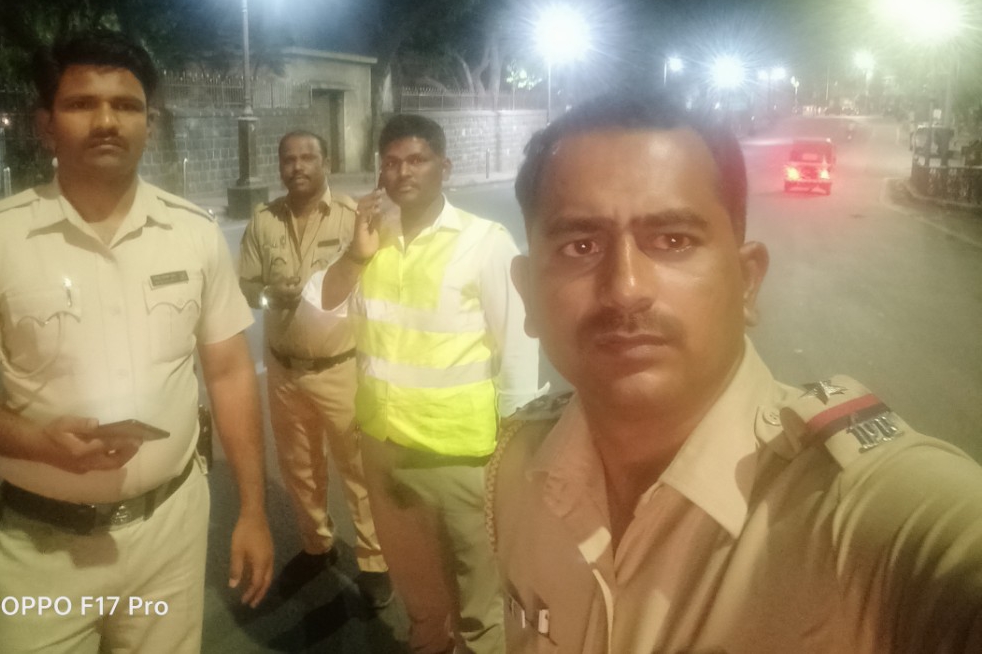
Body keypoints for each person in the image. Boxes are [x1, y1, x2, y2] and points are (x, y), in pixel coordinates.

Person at [490, 94, 982, 653]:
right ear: (528, 294)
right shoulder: (516, 471)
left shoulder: (855, 511)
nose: (625, 288)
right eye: (581, 246)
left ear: (747, 283)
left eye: (673, 241)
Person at [0, 30, 274, 654]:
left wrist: (254, 510)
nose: (107, 120)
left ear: (149, 123)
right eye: (82, 103)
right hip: (41, 548)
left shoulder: (193, 233)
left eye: (126, 105)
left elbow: (230, 371)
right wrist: (35, 443)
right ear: (45, 125)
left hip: (172, 533)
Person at [303, 113, 543, 654]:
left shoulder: (484, 243)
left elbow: (518, 347)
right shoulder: (371, 242)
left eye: (417, 160)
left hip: (459, 457)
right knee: (419, 596)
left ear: (444, 168)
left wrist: (517, 455)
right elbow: (317, 318)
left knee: (479, 602)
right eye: (391, 162)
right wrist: (357, 254)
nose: (403, 171)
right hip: (383, 449)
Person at [238, 130, 392, 608]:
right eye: (289, 159)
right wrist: (270, 295)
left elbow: (379, 279)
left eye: (308, 157)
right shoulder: (263, 221)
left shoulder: (351, 216)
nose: (298, 167)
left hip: (341, 368)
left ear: (326, 162)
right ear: (280, 166)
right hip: (285, 371)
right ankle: (317, 546)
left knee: (357, 469)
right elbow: (246, 287)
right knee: (299, 469)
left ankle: (374, 559)